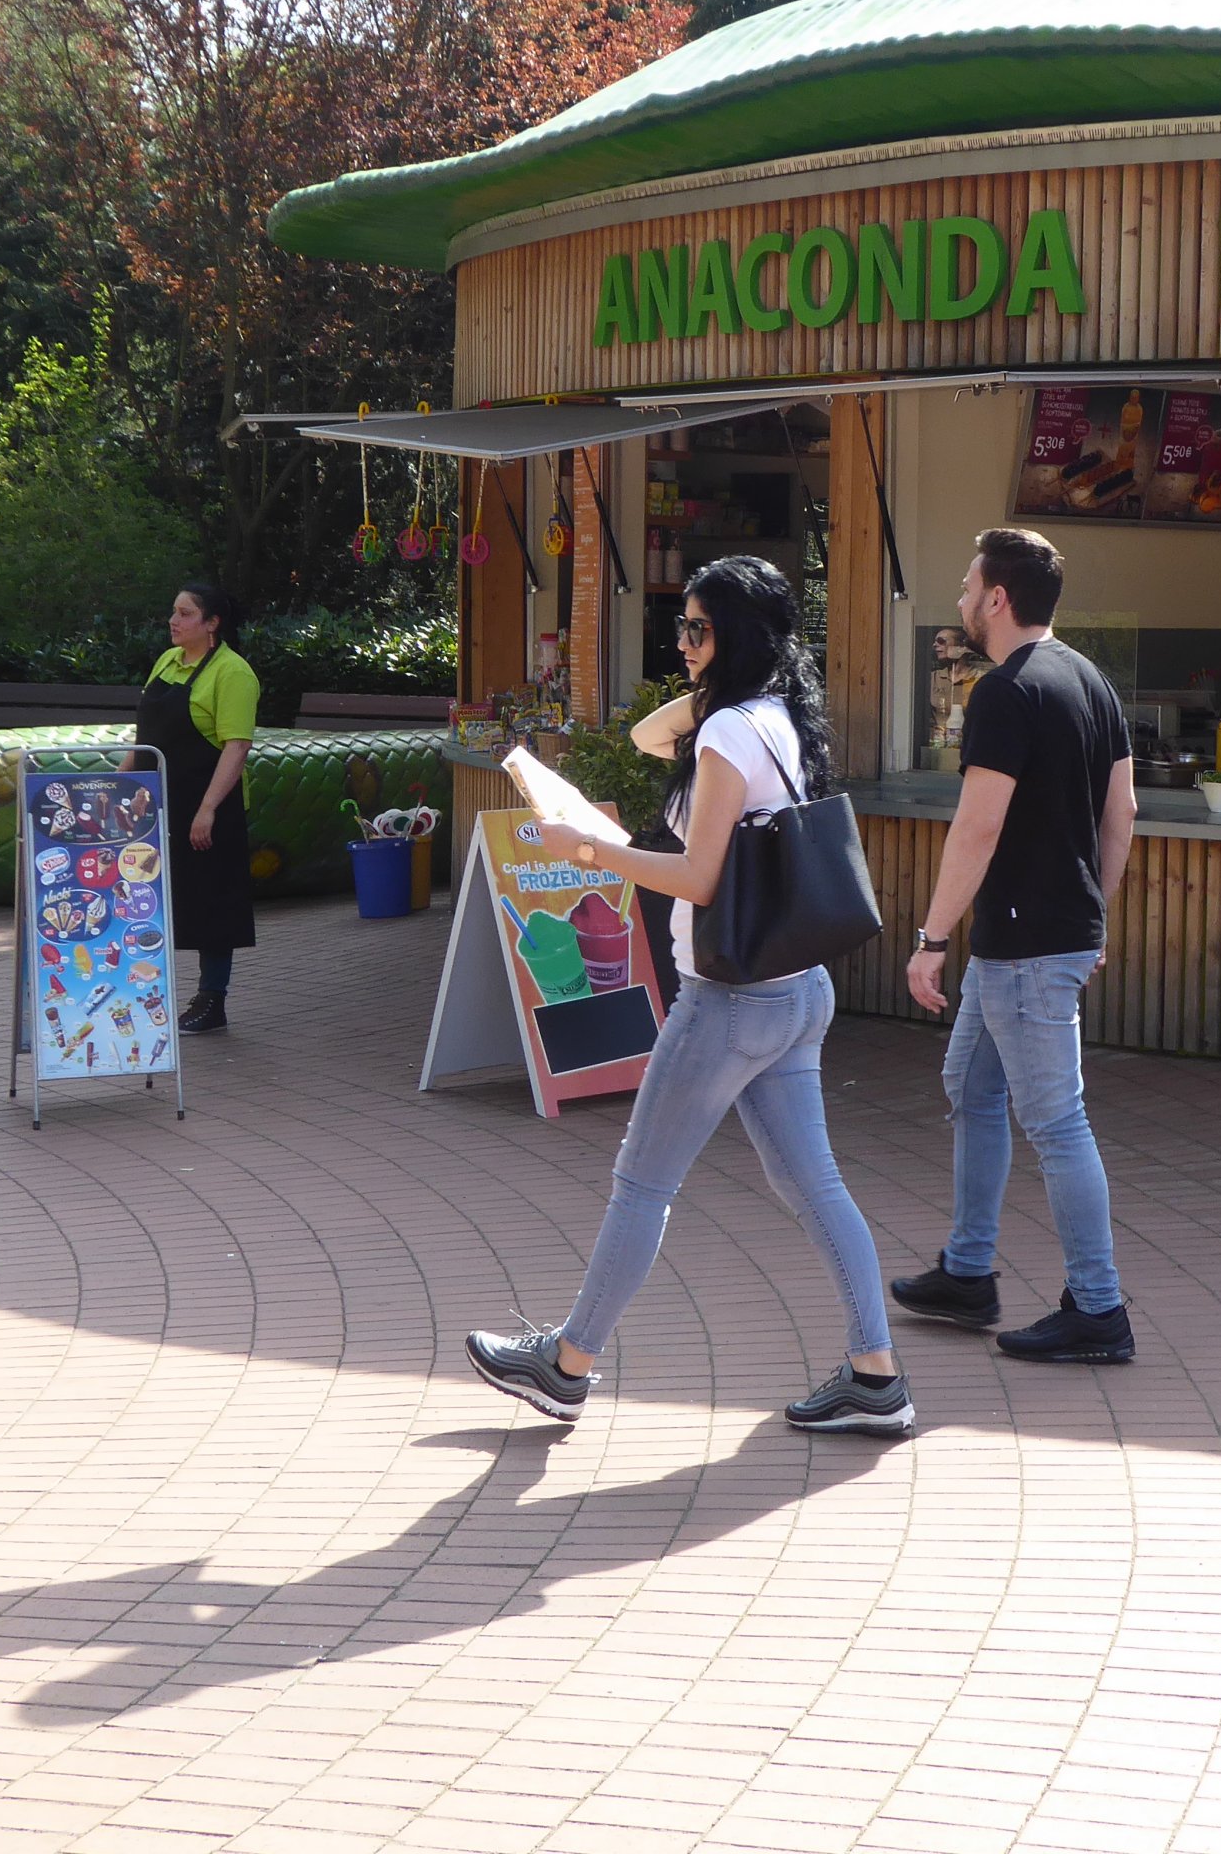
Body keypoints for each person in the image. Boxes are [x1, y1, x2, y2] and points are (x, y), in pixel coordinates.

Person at [465, 555, 910, 1436]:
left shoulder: (727, 735)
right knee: (815, 1185)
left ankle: (567, 1365)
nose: (682, 643)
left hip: (730, 1002)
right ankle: (875, 1374)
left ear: (740, 637)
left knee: (642, 1182)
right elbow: (644, 738)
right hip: (795, 991)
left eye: (697, 629)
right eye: (680, 626)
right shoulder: (776, 716)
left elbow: (699, 878)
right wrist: (711, 671)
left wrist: (590, 849)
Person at [892, 527, 1140, 1363]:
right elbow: (1123, 815)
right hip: (1038, 939)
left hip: (1025, 945)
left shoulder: (1004, 692)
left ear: (998, 599)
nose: (961, 599)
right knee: (972, 1083)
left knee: (1057, 1122)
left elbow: (979, 824)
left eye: (968, 586)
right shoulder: (1092, 681)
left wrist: (930, 939)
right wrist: (1092, 914)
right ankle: (967, 1273)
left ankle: (1099, 1311)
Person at [141, 583, 259, 1034]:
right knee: (153, 901)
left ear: (212, 624)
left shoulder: (233, 673)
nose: (173, 621)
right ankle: (143, 992)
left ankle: (213, 999)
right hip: (159, 803)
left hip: (211, 805)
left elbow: (237, 745)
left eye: (185, 614)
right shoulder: (166, 662)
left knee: (212, 904)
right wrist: (120, 787)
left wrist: (207, 809)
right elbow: (144, 740)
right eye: (173, 612)